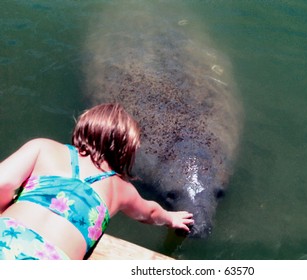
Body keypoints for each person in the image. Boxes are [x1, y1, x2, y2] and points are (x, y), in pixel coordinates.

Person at [0, 103, 194, 260]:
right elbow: (149, 213)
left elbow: (3, 183)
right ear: (127, 151)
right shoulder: (120, 188)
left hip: (6, 235)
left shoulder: (44, 147)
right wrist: (171, 218)